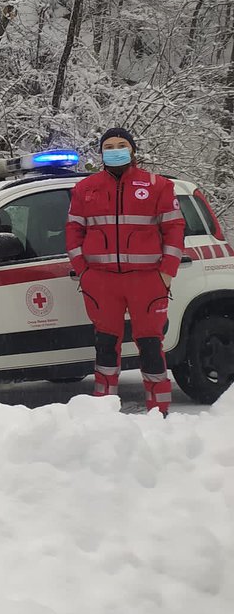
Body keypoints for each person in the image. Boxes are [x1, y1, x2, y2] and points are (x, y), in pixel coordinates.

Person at [65, 128, 185, 414]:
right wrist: (84, 271)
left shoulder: (158, 185)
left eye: (121, 145)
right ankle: (104, 406)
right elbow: (73, 231)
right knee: (105, 343)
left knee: (150, 344)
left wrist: (166, 272)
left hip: (147, 280)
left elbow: (174, 229)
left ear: (132, 150)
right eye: (109, 145)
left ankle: (159, 408)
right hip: (101, 282)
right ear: (101, 152)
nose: (115, 149)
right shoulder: (85, 188)